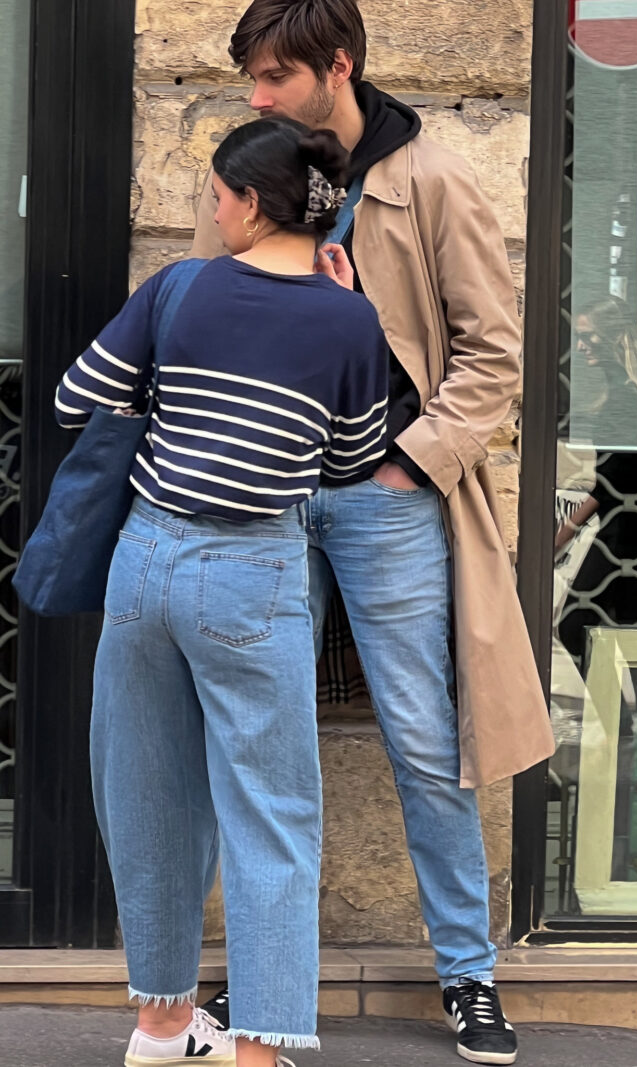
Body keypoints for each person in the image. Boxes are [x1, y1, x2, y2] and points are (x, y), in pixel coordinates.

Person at [191, 3, 554, 1064]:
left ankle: (467, 972)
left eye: (273, 76)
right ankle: (265, 970)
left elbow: (492, 355)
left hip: (387, 499)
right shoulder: (253, 169)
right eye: (252, 78)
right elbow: (214, 310)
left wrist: (408, 460)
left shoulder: (429, 178)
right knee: (262, 742)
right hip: (268, 496)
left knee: (424, 742)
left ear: (336, 66)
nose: (256, 95)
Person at [56, 117, 388, 1067]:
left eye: (214, 196)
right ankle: (256, 1053)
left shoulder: (180, 288)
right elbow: (352, 459)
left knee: (147, 797)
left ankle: (162, 1026)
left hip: (145, 559)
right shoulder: (349, 320)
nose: (212, 210)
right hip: (252, 572)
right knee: (270, 813)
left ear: (248, 203)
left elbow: (77, 397)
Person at [555, 295, 637, 688]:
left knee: (577, 626)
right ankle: (635, 725)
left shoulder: (628, 396)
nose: (581, 346)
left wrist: (566, 531)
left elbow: (616, 480)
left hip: (631, 534)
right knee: (635, 641)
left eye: (588, 336)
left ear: (614, 335)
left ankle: (619, 721)